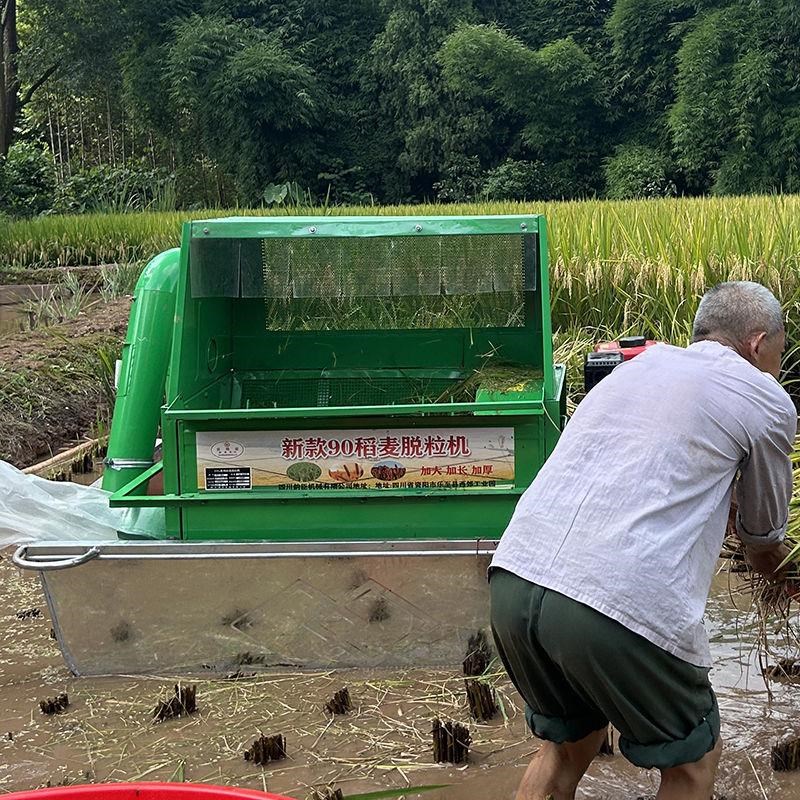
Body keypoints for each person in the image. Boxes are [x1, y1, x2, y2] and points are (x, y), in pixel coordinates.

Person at [489, 281, 796, 800]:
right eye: (782, 351)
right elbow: (762, 539)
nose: (779, 365)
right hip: (613, 602)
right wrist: (787, 579)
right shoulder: (764, 395)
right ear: (758, 343)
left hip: (516, 578)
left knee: (568, 744)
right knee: (694, 760)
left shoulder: (634, 368)